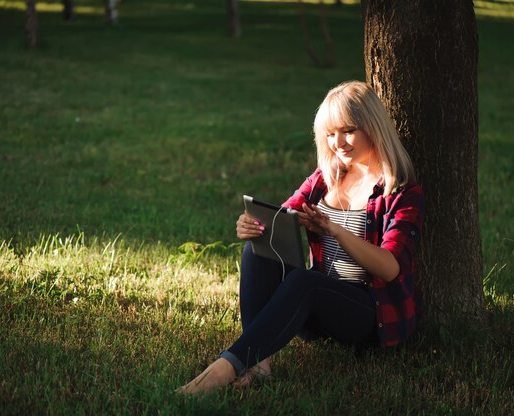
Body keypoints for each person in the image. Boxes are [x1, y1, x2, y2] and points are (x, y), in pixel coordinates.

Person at [179, 81, 425, 394]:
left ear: (372, 126)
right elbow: (278, 220)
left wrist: (335, 229)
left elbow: (390, 268)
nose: (338, 143)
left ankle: (222, 370)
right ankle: (259, 361)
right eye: (330, 133)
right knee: (258, 249)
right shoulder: (327, 177)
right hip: (316, 308)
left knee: (304, 283)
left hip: (367, 315)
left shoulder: (401, 192)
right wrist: (252, 226)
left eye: (348, 130)